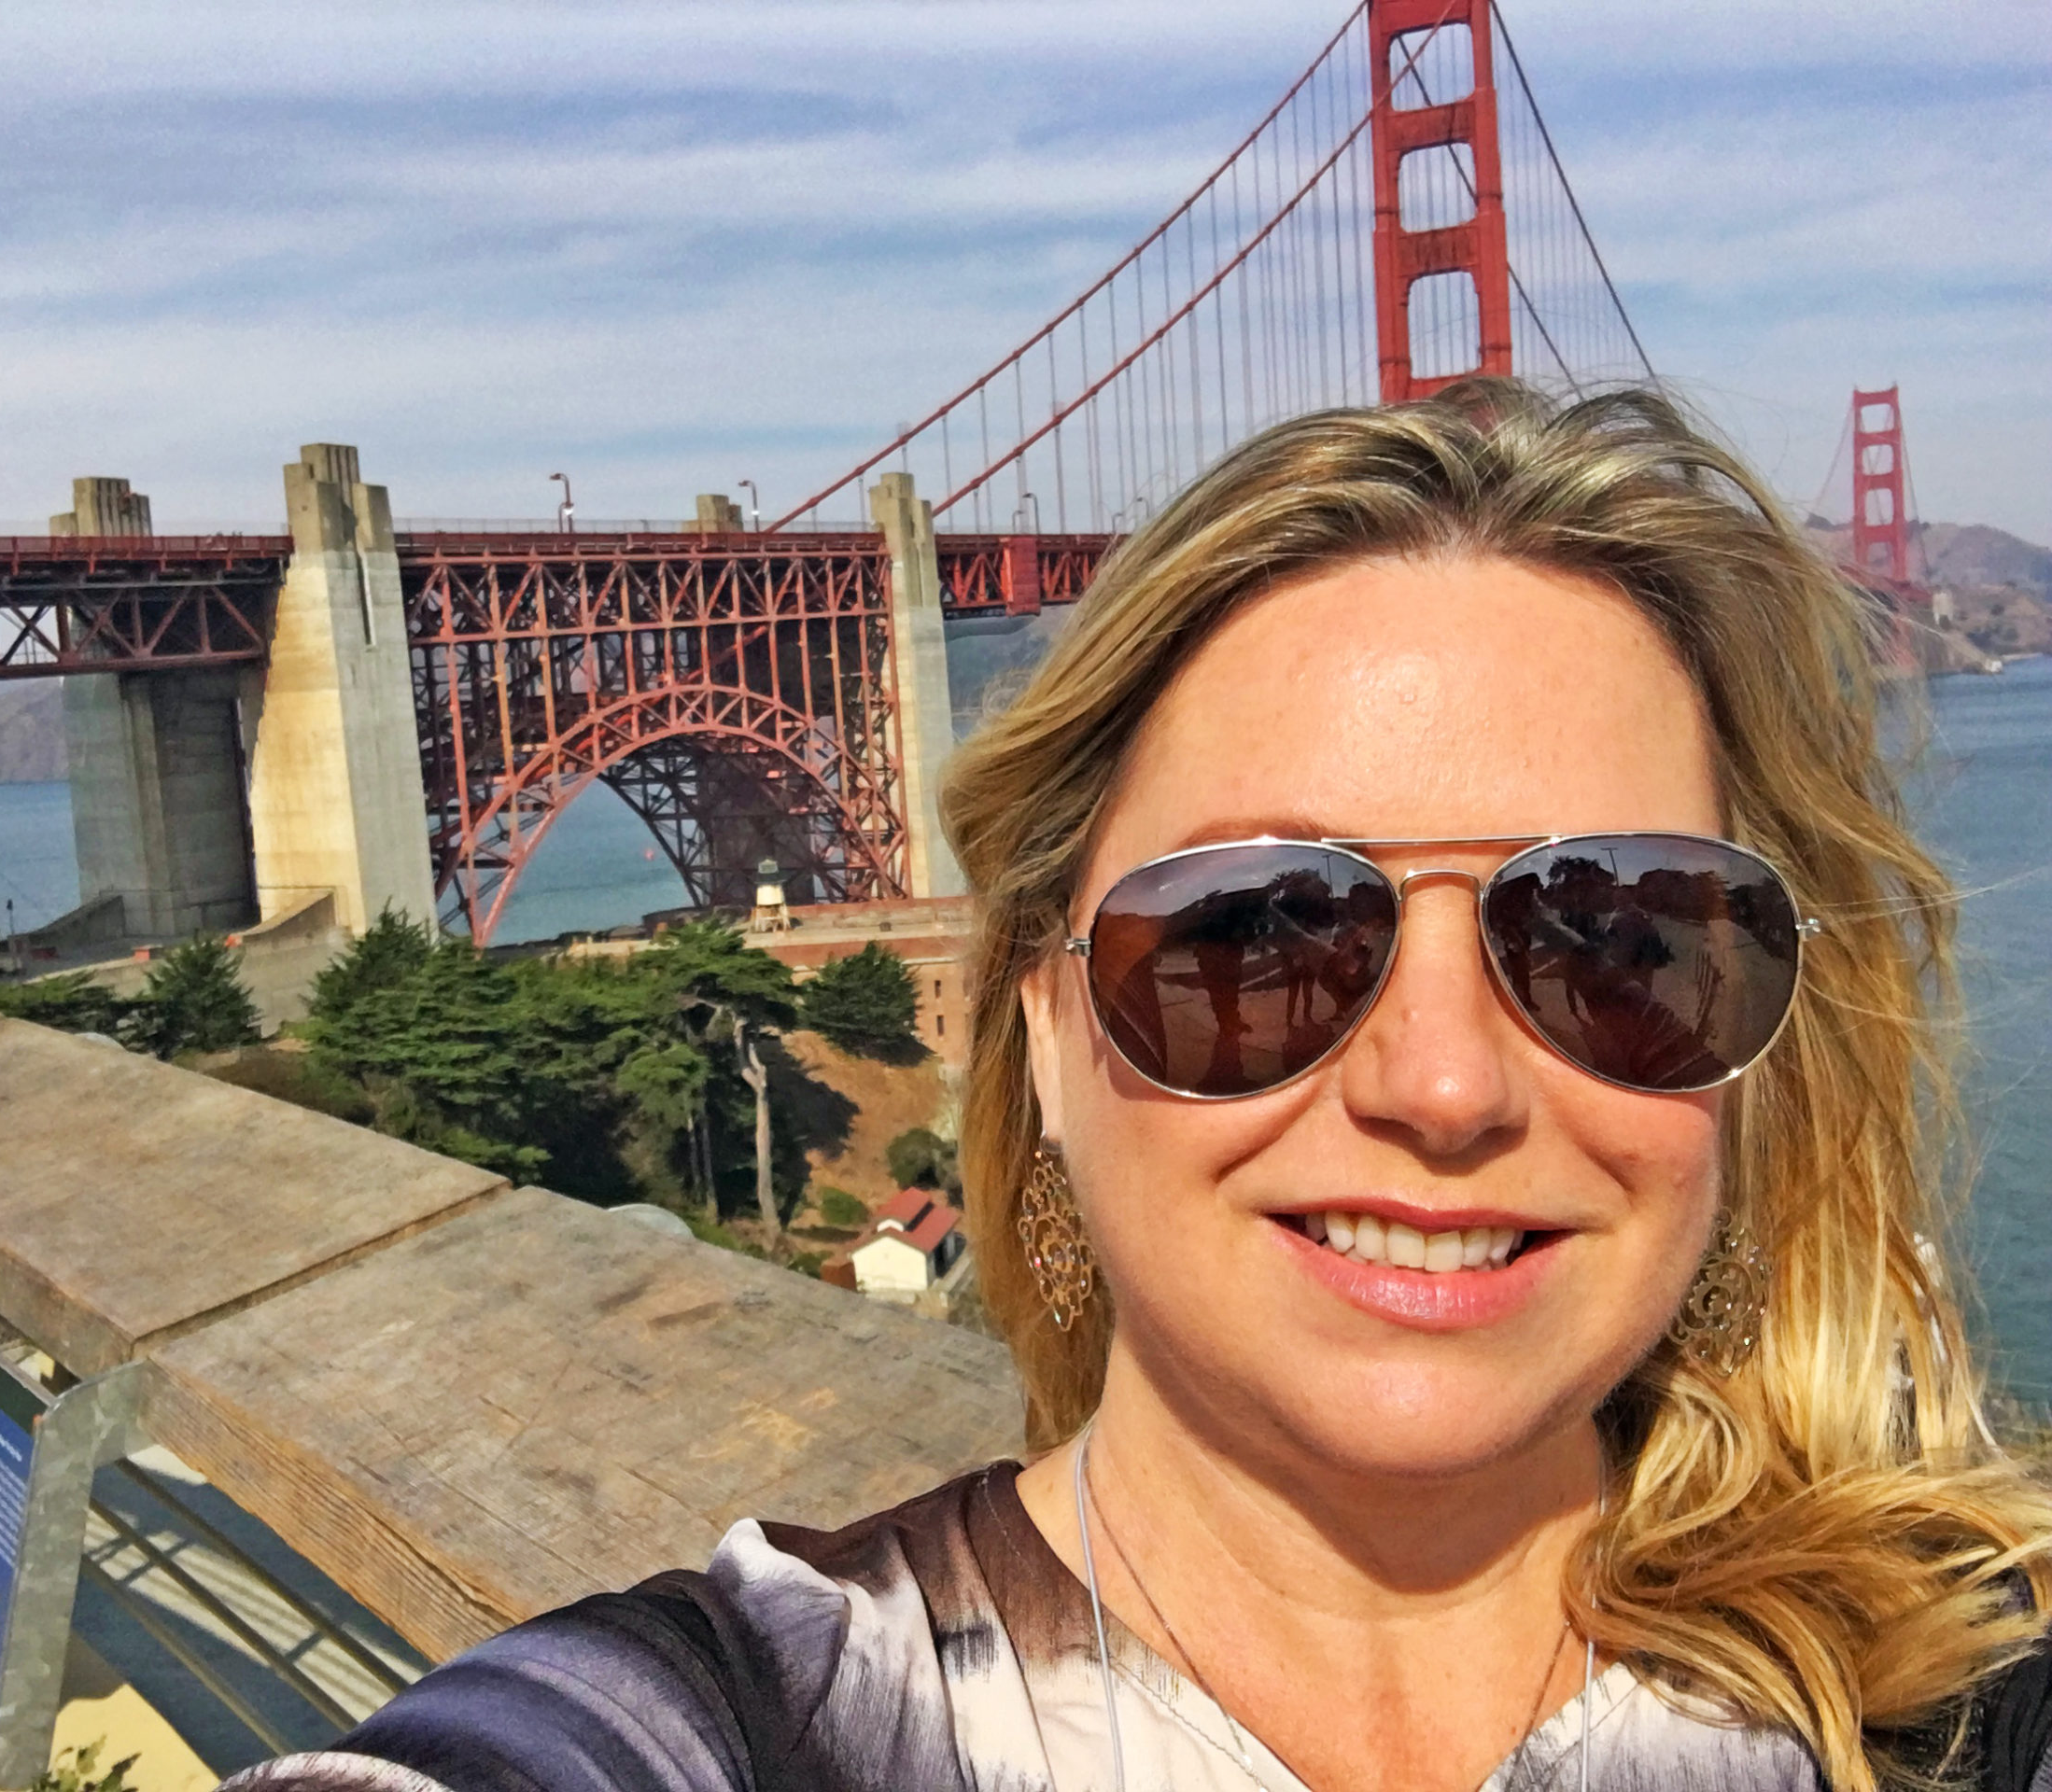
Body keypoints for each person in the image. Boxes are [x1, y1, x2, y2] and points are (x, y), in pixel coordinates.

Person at [221, 384, 2052, 1792]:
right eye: (1254, 931)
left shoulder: (1963, 1690)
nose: (1439, 1081)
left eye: (1619, 943)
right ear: (1035, 1019)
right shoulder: (753, 1713)